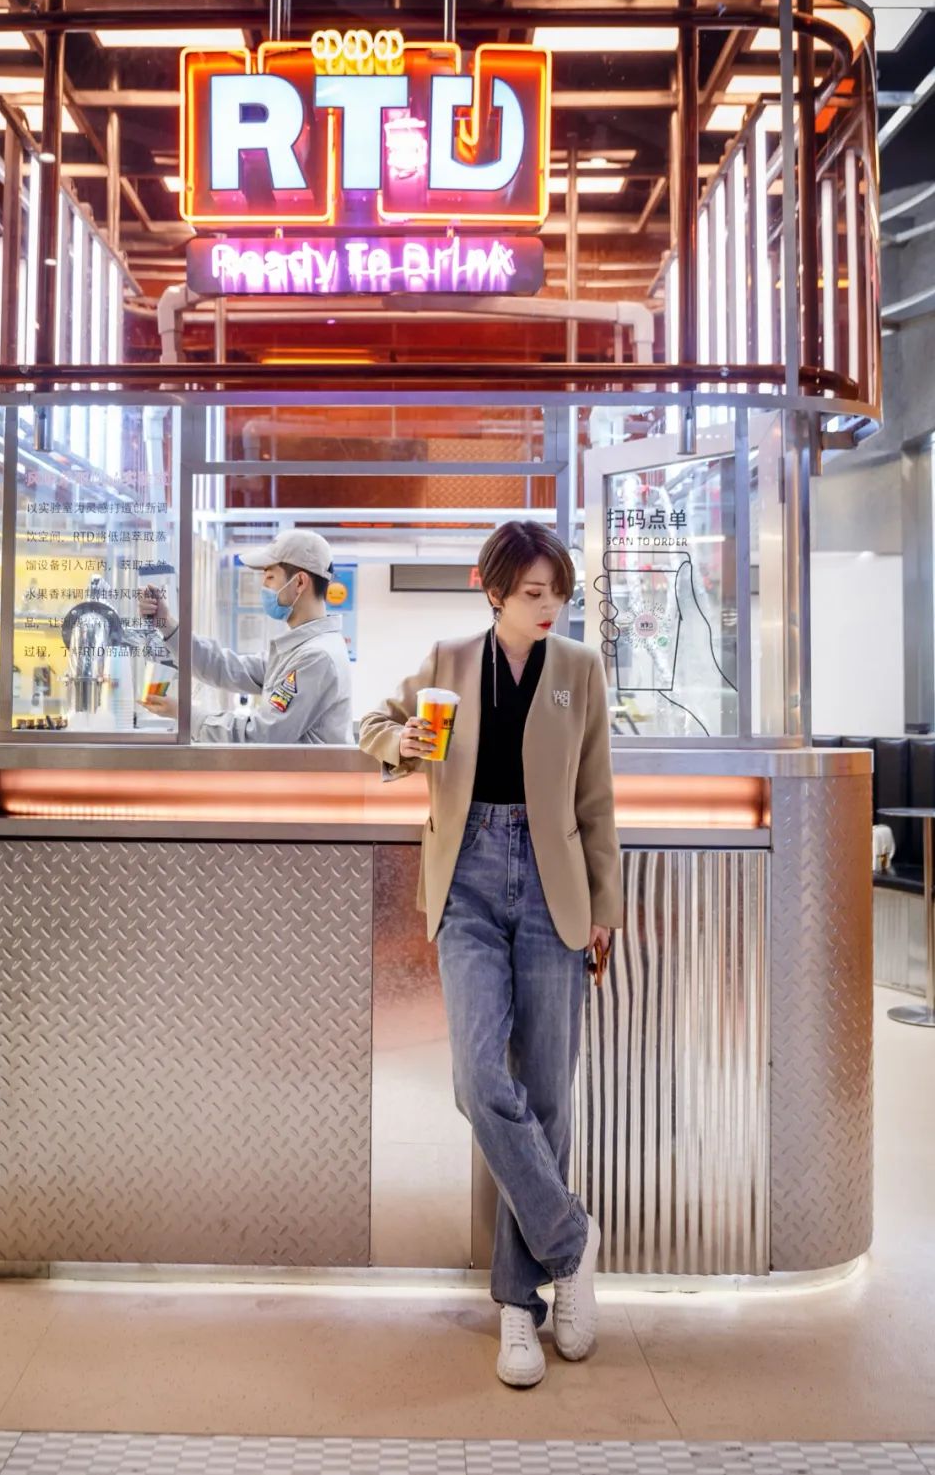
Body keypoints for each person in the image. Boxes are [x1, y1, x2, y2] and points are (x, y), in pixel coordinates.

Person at [358, 519, 622, 1390]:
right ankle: (571, 1240)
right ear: (496, 590)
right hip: (466, 879)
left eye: (560, 594)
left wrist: (605, 908)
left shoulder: (579, 669)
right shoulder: (449, 660)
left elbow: (595, 798)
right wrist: (399, 745)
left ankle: (519, 1300)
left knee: (545, 1092)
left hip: (555, 888)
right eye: (534, 593)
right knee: (478, 1080)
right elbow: (375, 723)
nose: (550, 608)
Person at [140, 528, 353, 744]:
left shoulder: (316, 657)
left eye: (269, 576)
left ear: (299, 582)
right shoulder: (300, 649)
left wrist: (187, 714)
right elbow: (227, 668)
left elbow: (259, 737)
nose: (263, 586)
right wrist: (167, 624)